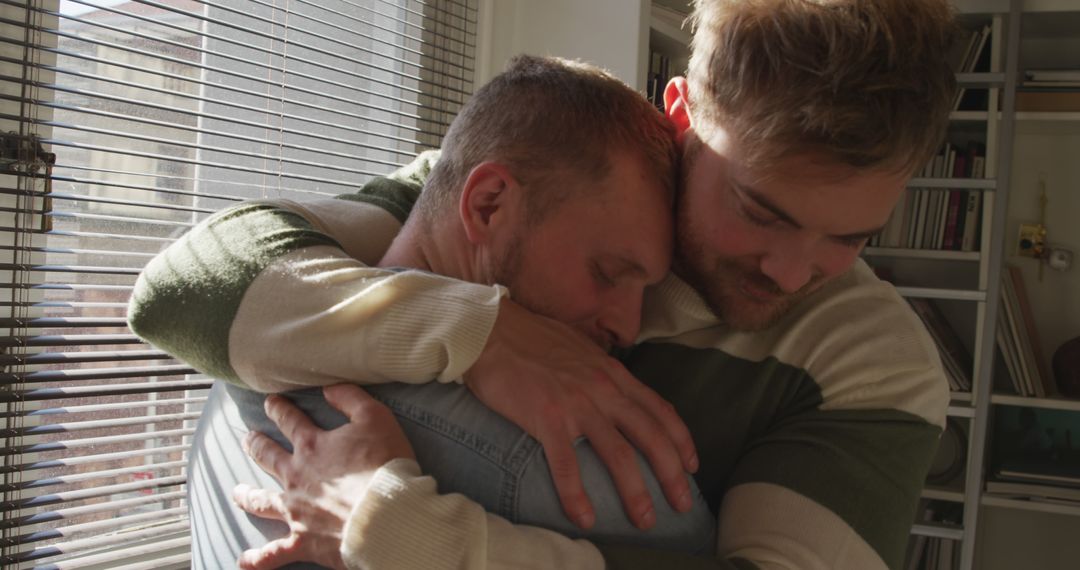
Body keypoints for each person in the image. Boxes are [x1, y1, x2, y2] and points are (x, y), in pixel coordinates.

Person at [132, 0, 961, 567]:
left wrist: (398, 530)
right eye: (760, 210)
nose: (791, 272)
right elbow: (192, 281)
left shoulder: (875, 362)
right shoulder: (561, 186)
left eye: (850, 237)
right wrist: (484, 332)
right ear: (682, 124)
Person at [129, 55, 718, 568]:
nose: (628, 325)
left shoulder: (241, 364)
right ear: (487, 206)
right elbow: (173, 283)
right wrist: (482, 328)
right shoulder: (587, 473)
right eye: (609, 273)